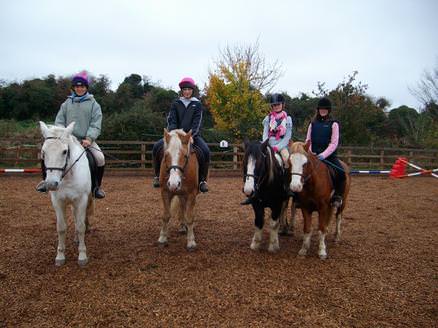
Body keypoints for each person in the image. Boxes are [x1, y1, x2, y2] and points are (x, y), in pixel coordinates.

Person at [36, 71, 106, 199]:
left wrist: (89, 139)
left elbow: (96, 124)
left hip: (86, 140)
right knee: (45, 153)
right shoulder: (66, 104)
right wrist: (62, 135)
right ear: (73, 88)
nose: (80, 89)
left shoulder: (94, 105)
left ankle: (96, 187)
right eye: (77, 87)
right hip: (66, 139)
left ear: (86, 88)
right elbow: (59, 121)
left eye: (82, 87)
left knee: (100, 158)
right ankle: (45, 182)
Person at [152, 77, 210, 193]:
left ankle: (202, 180)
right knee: (156, 147)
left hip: (192, 136)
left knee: (206, 151)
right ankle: (157, 176)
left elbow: (197, 122)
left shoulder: (197, 104)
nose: (187, 92)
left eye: (189, 89)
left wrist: (191, 134)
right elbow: (171, 120)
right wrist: (173, 133)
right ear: (182, 91)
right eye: (184, 89)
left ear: (192, 90)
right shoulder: (176, 103)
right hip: (175, 136)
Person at [241, 93, 293, 205]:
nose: (276, 107)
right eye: (274, 105)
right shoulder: (268, 118)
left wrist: (277, 147)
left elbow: (287, 136)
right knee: (254, 159)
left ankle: (286, 186)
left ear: (282, 105)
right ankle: (253, 189)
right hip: (267, 144)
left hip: (281, 145)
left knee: (287, 160)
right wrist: (266, 145)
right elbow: (265, 134)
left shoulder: (288, 119)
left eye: (278, 104)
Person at [305, 97, 345, 208]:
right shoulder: (312, 124)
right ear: (318, 110)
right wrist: (311, 152)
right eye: (321, 109)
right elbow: (308, 140)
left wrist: (323, 155)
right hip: (313, 155)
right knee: (299, 170)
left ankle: (337, 196)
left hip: (328, 156)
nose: (323, 110)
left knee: (341, 173)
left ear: (329, 110)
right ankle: (298, 197)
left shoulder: (334, 124)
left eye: (325, 109)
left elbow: (333, 143)